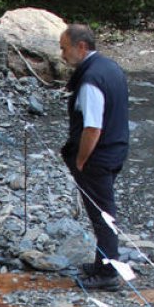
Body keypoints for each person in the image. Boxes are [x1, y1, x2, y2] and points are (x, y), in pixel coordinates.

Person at [58, 24, 130, 291]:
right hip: (115, 149)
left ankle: (108, 273)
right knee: (103, 210)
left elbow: (92, 127)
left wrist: (80, 159)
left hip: (97, 157)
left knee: (102, 215)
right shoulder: (109, 68)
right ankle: (102, 264)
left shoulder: (90, 81)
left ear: (81, 47)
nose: (62, 54)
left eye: (64, 48)